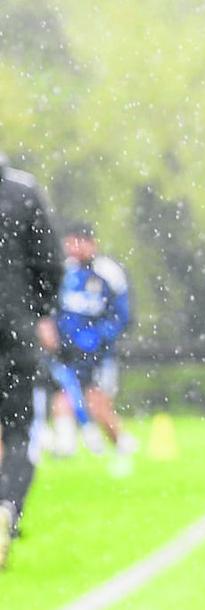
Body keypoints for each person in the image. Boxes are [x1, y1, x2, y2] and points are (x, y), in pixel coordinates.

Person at [0, 154, 63, 569]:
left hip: (16, 322)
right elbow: (51, 265)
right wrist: (37, 310)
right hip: (14, 328)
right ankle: (7, 507)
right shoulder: (23, 192)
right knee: (21, 431)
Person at [53, 223, 136, 462]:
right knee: (62, 396)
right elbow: (51, 309)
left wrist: (99, 336)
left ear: (91, 243)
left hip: (98, 354)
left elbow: (123, 316)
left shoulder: (108, 272)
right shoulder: (63, 272)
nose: (73, 248)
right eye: (69, 242)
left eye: (78, 241)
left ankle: (120, 444)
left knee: (97, 404)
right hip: (66, 352)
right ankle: (65, 447)